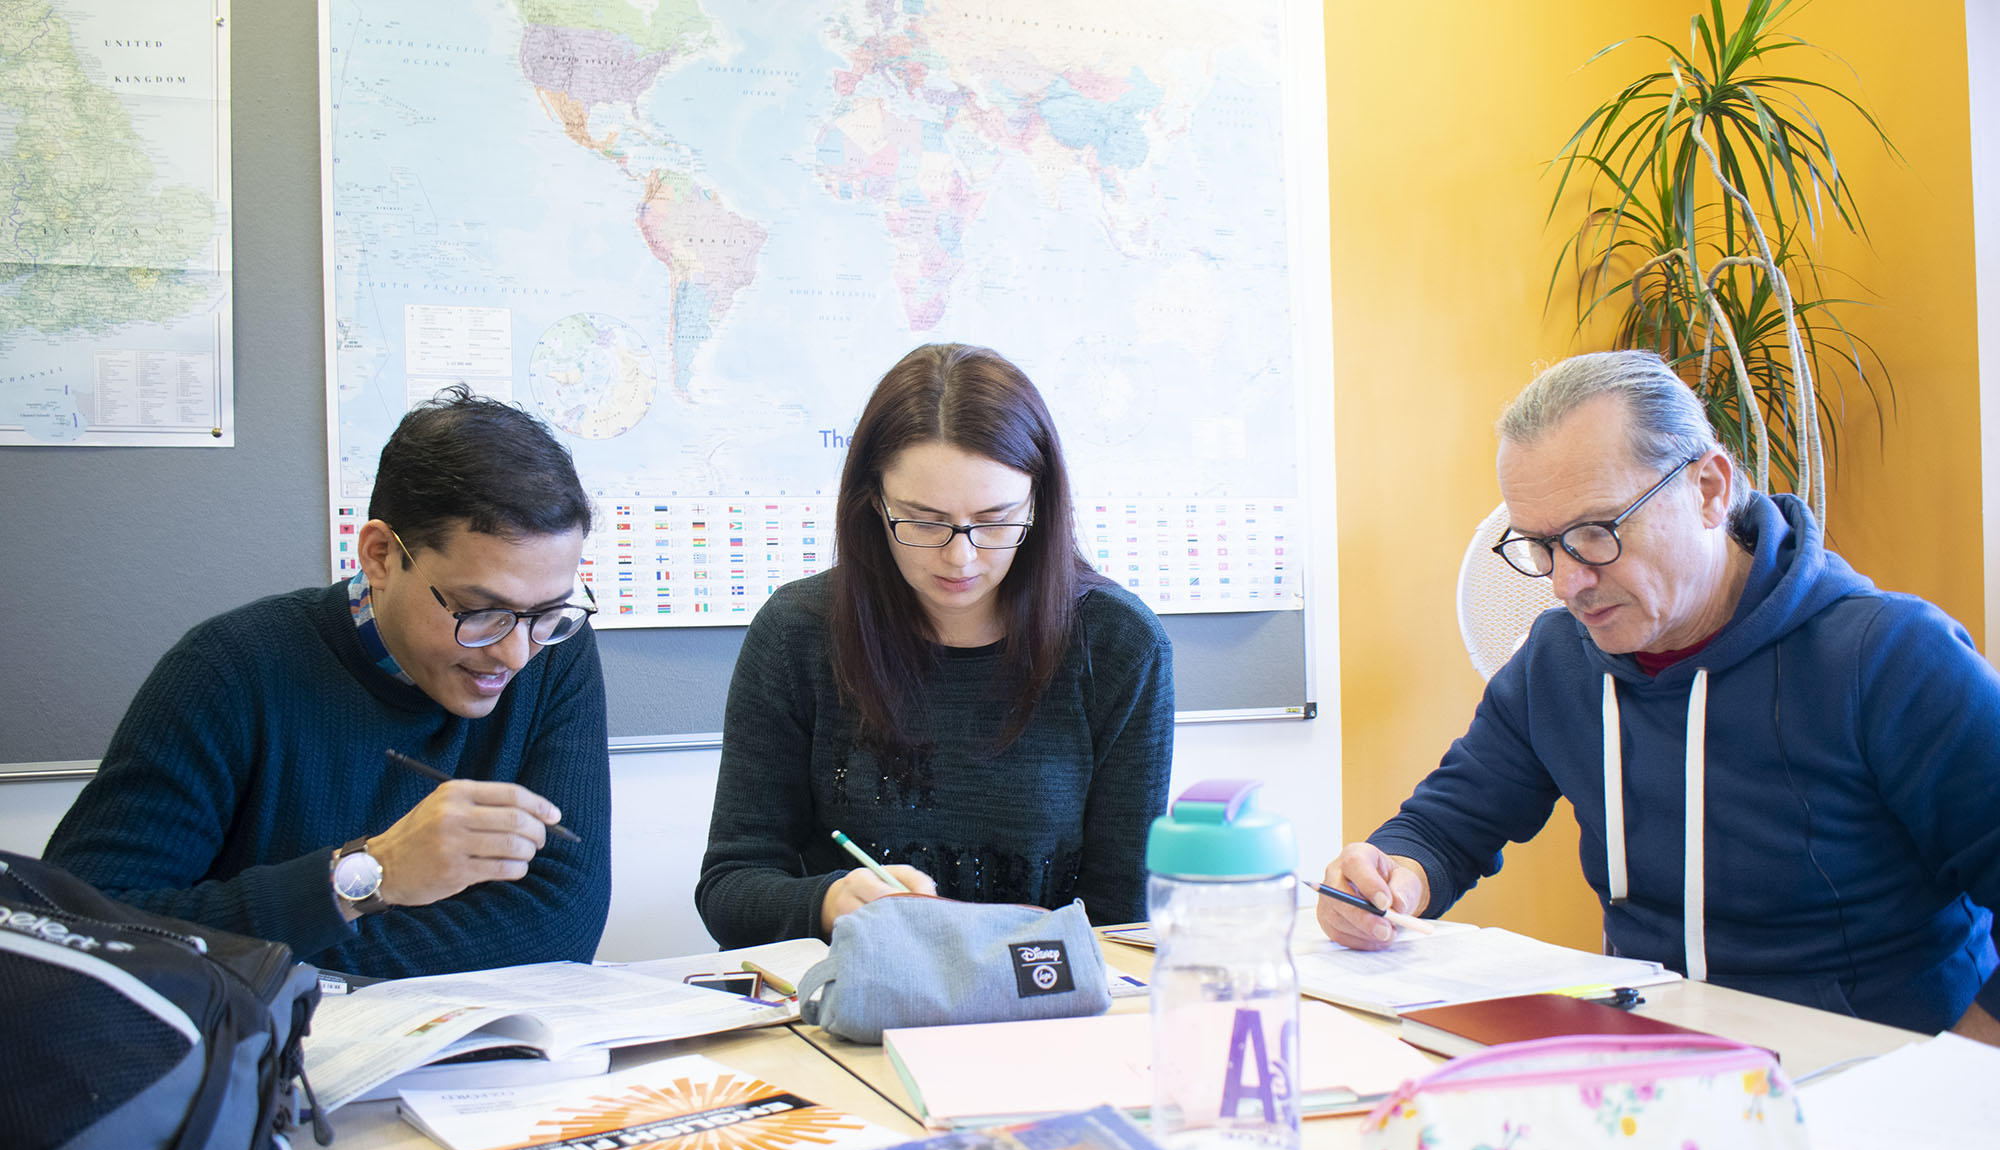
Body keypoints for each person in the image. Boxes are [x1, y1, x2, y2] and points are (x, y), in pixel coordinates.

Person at [1318, 350, 2000, 1040]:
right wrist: (1389, 879)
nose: (1565, 583)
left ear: (1708, 489)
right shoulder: (1556, 661)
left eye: (1596, 533)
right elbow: (1443, 828)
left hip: (1867, 1084)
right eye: (1541, 545)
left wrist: (1956, 1065)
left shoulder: (1891, 657)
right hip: (1653, 1079)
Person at [43, 387, 613, 978]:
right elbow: (83, 932)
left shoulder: (555, 652)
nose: (515, 653)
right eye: (478, 610)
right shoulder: (230, 670)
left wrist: (276, 957)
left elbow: (561, 923)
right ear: (381, 556)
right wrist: (369, 874)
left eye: (547, 612)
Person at [697, 343, 1174, 948]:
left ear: (1040, 503)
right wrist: (829, 900)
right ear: (874, 502)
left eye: (996, 520)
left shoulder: (1117, 644)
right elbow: (730, 887)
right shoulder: (798, 632)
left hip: (1045, 1008)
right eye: (923, 521)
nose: (961, 556)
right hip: (859, 1009)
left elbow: (1123, 912)